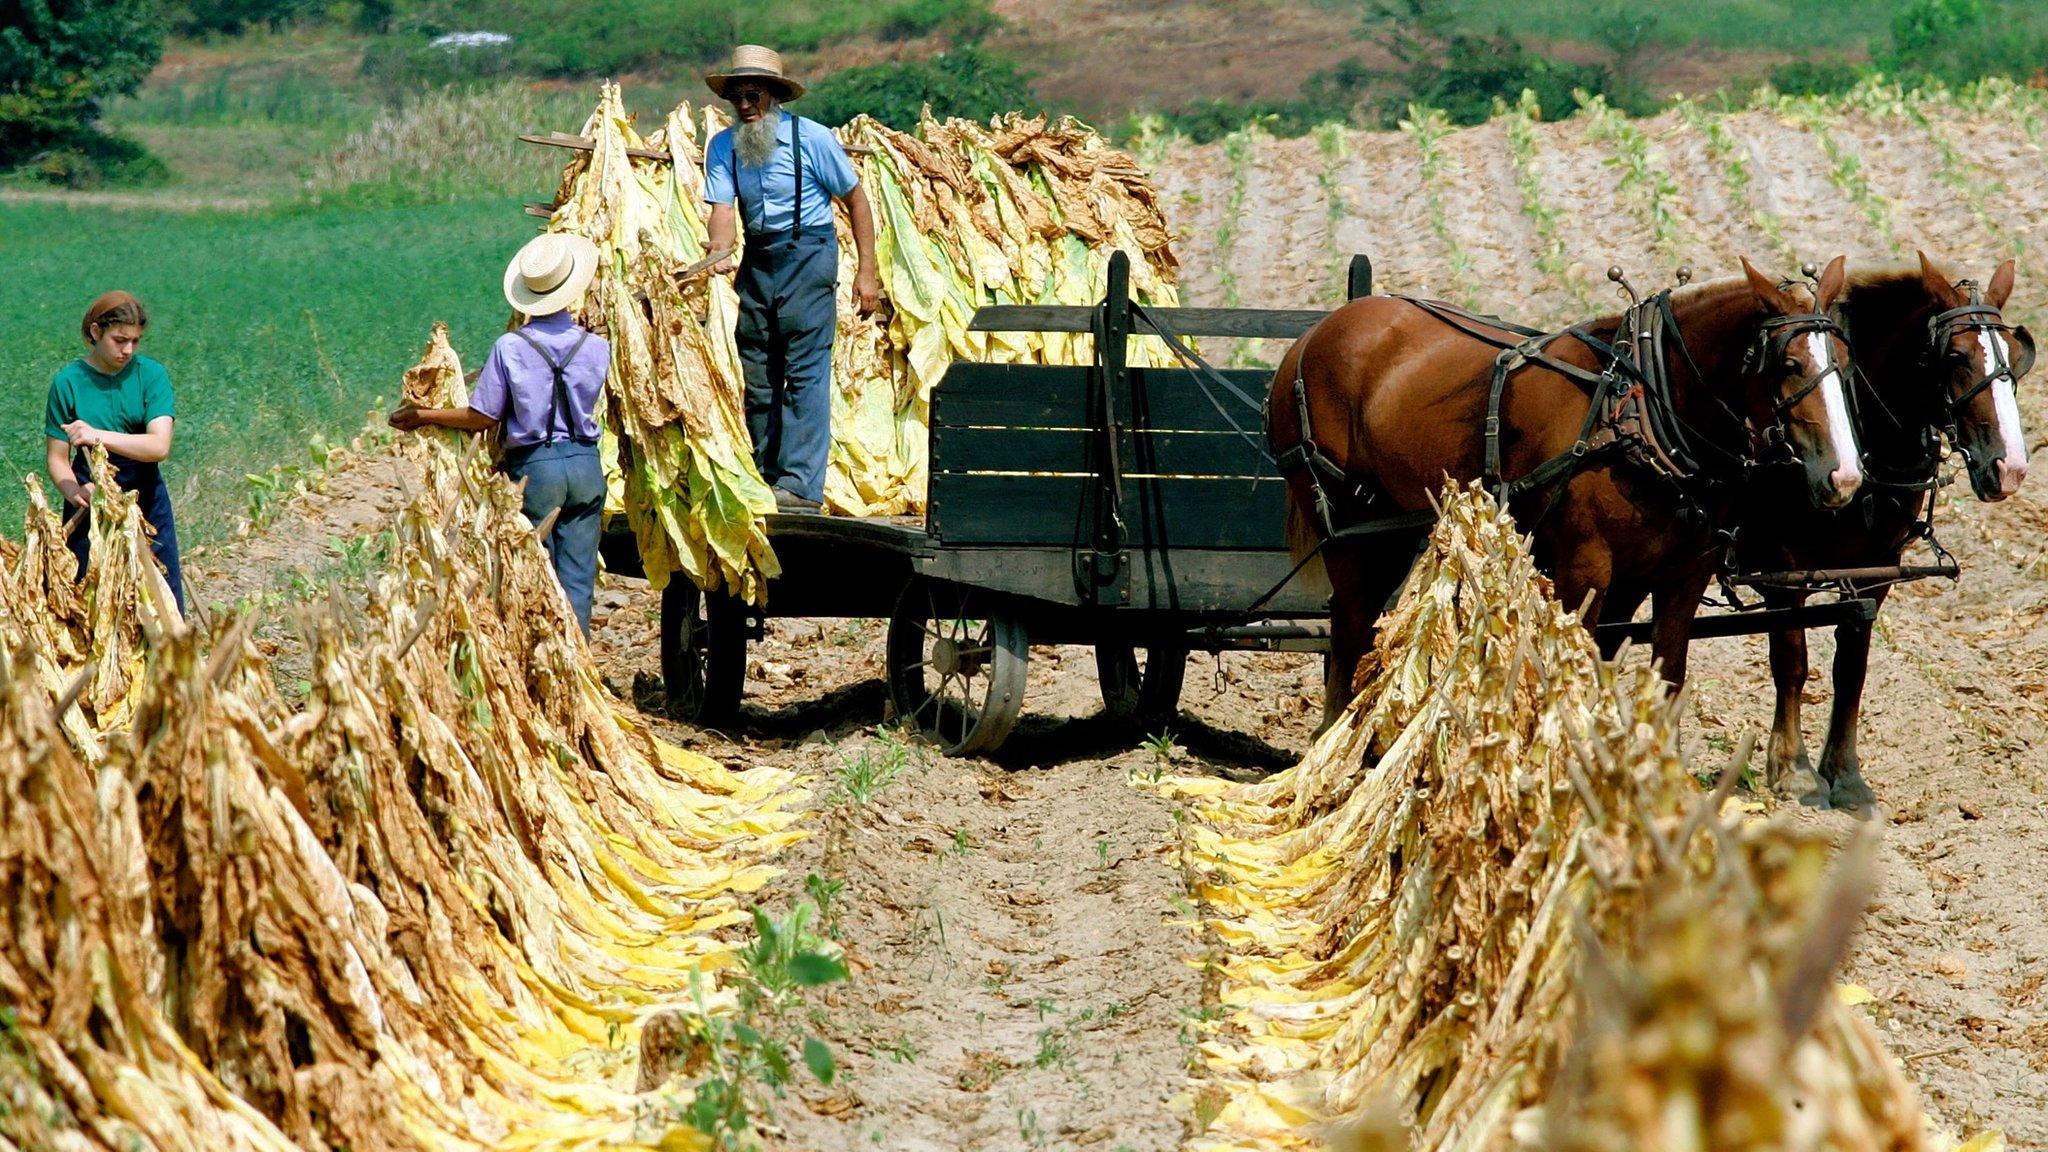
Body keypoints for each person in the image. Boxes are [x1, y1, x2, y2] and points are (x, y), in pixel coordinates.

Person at [389, 233, 610, 632]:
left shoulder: (510, 346)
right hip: (585, 466)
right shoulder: (597, 346)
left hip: (536, 470)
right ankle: (579, 668)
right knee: (577, 582)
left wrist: (424, 415)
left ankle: (543, 670)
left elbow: (483, 416)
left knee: (533, 579)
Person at [700, 44, 880, 513]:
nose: (743, 106)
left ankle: (800, 484)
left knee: (803, 372)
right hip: (758, 260)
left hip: (810, 254)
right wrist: (719, 251)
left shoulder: (813, 139)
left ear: (773, 96)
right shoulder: (723, 146)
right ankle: (765, 473)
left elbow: (856, 201)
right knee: (757, 371)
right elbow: (722, 210)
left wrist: (867, 272)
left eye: (752, 95)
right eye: (736, 97)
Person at [45, 291, 185, 612]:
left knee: (162, 601)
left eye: (135, 341)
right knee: (91, 604)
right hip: (91, 502)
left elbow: (159, 446)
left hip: (147, 498)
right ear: (96, 333)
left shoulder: (151, 375)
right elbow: (57, 458)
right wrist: (74, 491)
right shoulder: (68, 383)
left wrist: (96, 436)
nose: (128, 350)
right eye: (119, 340)